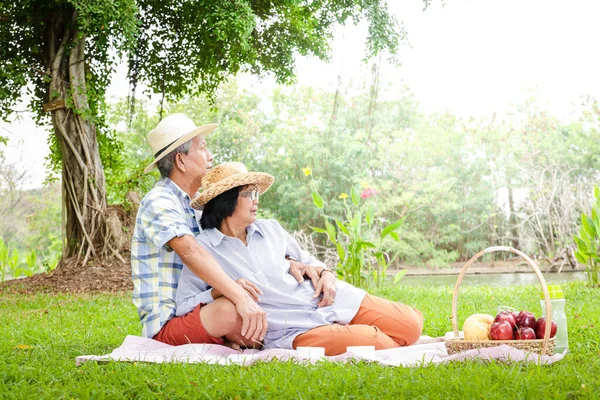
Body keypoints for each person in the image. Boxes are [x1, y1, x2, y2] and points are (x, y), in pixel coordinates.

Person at [176, 162, 423, 355]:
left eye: (256, 193)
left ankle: (355, 327)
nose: (257, 200)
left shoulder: (271, 229)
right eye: (249, 194)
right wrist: (220, 292)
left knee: (412, 324)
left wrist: (325, 273)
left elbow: (308, 259)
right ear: (226, 200)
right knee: (377, 342)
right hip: (294, 328)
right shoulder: (203, 249)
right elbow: (184, 304)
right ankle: (354, 334)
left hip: (327, 299)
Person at [131, 113, 269, 347]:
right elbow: (190, 252)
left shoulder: (197, 205)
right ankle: (227, 335)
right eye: (203, 148)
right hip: (169, 322)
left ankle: (227, 336)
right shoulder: (159, 200)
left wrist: (292, 260)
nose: (210, 156)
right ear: (181, 161)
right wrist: (238, 295)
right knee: (234, 312)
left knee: (257, 308)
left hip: (203, 304)